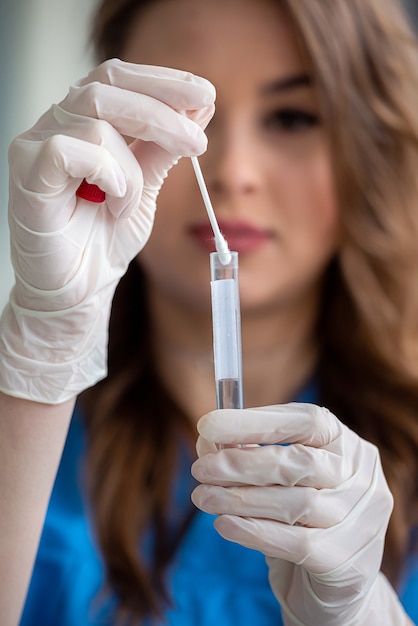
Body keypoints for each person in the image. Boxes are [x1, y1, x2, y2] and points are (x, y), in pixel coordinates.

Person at [0, 0, 417, 624]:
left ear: (371, 146)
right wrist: (43, 344)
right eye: (179, 121)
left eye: (292, 117)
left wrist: (364, 614)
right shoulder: (37, 434)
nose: (232, 174)